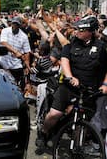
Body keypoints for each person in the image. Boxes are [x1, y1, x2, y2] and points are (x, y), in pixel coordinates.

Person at [37, 16, 107, 153]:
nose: (78, 32)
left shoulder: (101, 48)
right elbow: (64, 60)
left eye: (82, 29)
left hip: (89, 91)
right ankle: (44, 132)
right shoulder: (72, 44)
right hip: (69, 87)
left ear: (91, 31)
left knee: (84, 122)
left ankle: (77, 147)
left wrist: (105, 84)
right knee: (54, 114)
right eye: (77, 29)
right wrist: (70, 77)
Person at [0, 16, 31, 91]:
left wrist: (27, 66)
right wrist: (15, 51)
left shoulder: (24, 37)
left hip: (16, 65)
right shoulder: (5, 31)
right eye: (13, 24)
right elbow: (3, 43)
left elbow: (27, 52)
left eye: (17, 25)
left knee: (16, 86)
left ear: (19, 26)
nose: (14, 26)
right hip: (3, 63)